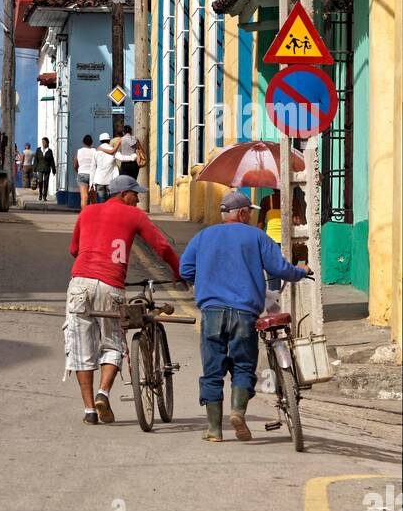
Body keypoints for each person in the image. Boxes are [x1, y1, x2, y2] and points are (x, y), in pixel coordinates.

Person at [179, 190, 312, 444]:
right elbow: (279, 269)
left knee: (212, 369)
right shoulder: (256, 236)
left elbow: (185, 268)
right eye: (249, 212)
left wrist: (207, 277)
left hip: (212, 312)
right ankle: (238, 412)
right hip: (244, 313)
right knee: (243, 364)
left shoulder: (203, 236)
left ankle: (214, 430)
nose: (251, 216)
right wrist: (300, 271)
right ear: (241, 213)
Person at [66, 174, 181, 425]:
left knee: (81, 348)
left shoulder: (87, 212)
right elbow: (161, 247)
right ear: (123, 195)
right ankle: (103, 393)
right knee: (113, 343)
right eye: (135, 194)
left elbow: (73, 250)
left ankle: (89, 411)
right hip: (110, 285)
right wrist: (178, 270)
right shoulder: (135, 216)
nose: (138, 199)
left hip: (79, 283)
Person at [89, 132, 119, 203]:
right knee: (109, 201)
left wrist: (91, 183)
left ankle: (102, 213)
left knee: (101, 201)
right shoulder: (113, 150)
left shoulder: (96, 152)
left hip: (99, 180)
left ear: (100, 141)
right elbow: (121, 157)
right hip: (110, 180)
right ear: (109, 140)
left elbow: (93, 168)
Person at [73, 134, 96, 209]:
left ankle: (84, 216)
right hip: (93, 175)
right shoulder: (94, 151)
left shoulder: (79, 151)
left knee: (84, 197)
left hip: (82, 174)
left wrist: (78, 171)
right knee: (93, 198)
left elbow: (75, 165)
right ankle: (93, 215)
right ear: (91, 142)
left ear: (83, 142)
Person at [33, 137, 56, 201]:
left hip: (47, 169)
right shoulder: (38, 150)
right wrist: (34, 169)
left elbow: (52, 161)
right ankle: (40, 194)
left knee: (46, 182)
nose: (43, 143)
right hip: (39, 168)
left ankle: (44, 196)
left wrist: (54, 169)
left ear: (47, 143)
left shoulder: (49, 151)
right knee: (40, 181)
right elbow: (36, 160)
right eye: (42, 142)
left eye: (44, 142)